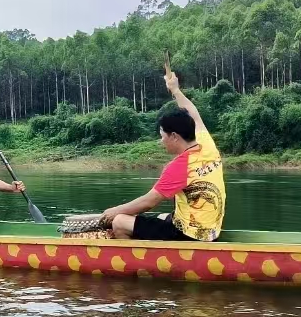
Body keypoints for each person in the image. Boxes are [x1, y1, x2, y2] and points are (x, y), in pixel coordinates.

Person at [96, 66, 226, 241]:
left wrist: (115, 211)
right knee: (161, 218)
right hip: (211, 231)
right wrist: (175, 89)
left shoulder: (180, 167)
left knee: (120, 221)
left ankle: (135, 265)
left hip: (191, 236)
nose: (161, 141)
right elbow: (193, 112)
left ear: (174, 136)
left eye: (162, 136)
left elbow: (148, 202)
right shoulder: (206, 144)